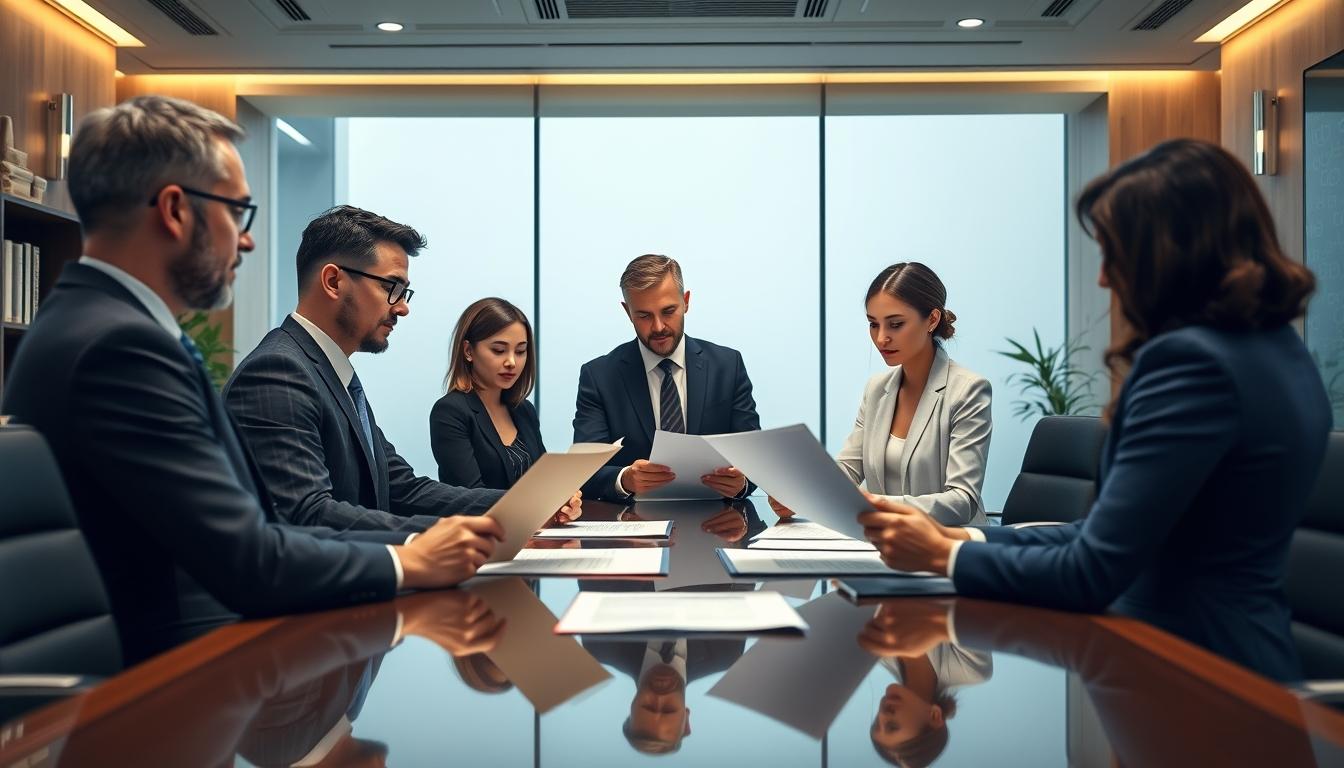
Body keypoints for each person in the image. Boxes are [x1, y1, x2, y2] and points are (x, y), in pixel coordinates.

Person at [0, 95, 503, 664]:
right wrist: (409, 558)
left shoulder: (103, 324)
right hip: (167, 684)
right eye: (237, 213)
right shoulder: (121, 347)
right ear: (174, 209)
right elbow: (250, 555)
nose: (247, 240)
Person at [858, 138, 1330, 682]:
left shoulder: (1193, 366)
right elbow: (1098, 535)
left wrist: (944, 557)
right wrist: (960, 539)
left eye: (1114, 251)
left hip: (1193, 677)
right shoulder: (1278, 351)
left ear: (1171, 250)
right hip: (1232, 661)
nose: (1104, 277)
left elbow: (1093, 569)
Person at [225, 208, 578, 533]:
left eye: (405, 293)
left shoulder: (333, 375)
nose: (403, 308)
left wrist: (528, 505)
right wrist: (438, 537)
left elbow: (401, 487)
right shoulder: (280, 371)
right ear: (333, 281)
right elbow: (308, 512)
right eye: (391, 288)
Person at [771, 262, 991, 525]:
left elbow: (962, 501)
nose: (881, 338)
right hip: (887, 546)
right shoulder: (876, 389)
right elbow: (849, 468)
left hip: (950, 549)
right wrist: (800, 492)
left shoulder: (968, 390)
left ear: (932, 320)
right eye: (873, 325)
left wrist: (871, 504)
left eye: (895, 324)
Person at [573, 254, 760, 501]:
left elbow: (755, 462)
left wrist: (742, 482)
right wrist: (625, 479)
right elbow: (583, 473)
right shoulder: (599, 376)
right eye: (644, 316)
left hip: (720, 523)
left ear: (686, 302)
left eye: (668, 311)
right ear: (627, 312)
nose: (659, 326)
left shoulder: (727, 365)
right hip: (632, 528)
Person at [858, 601, 992, 767]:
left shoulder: (876, 651)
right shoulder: (971, 669)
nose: (884, 714)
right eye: (893, 726)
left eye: (877, 722)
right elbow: (968, 606)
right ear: (934, 716)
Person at [430, 298, 545, 490]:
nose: (511, 362)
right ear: (468, 351)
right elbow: (471, 494)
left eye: (520, 351)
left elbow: (544, 479)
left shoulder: (524, 409)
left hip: (531, 521)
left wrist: (562, 501)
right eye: (498, 350)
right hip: (480, 520)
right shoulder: (450, 412)